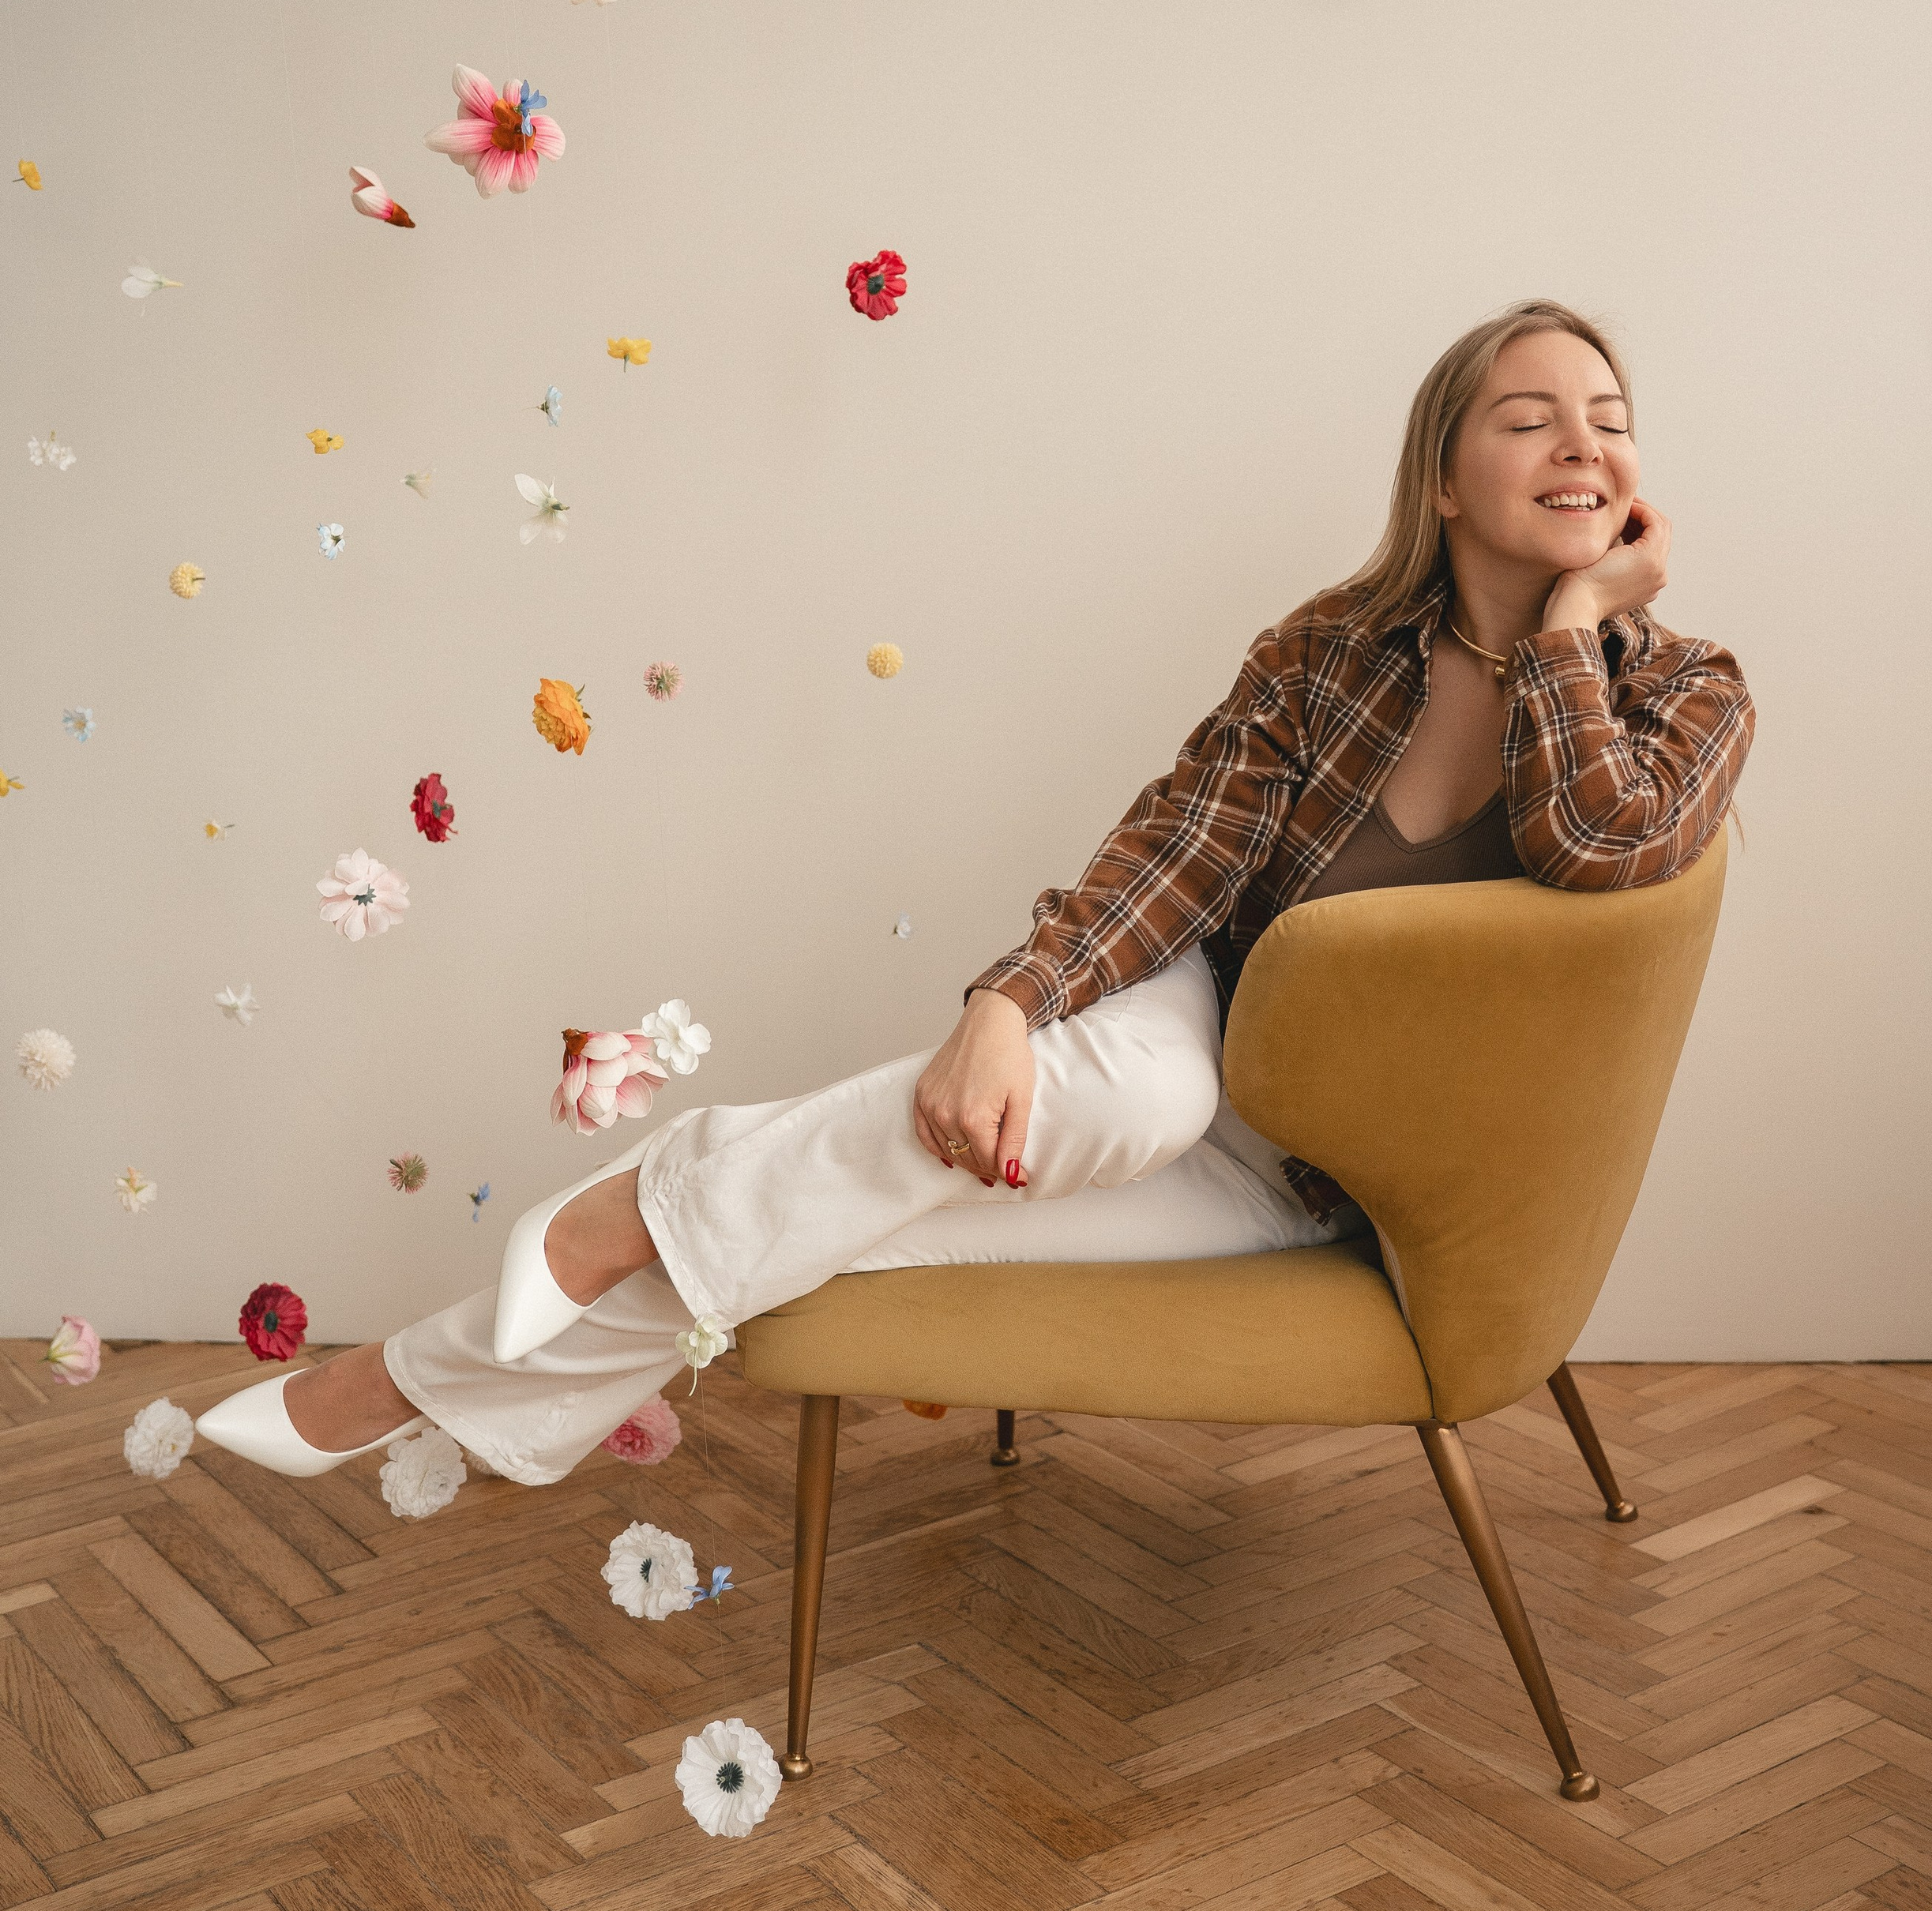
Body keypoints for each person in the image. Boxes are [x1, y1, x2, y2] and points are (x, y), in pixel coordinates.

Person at [197, 298, 1753, 1489]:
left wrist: (1571, 631)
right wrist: (1007, 1005)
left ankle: (443, 1362)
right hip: (1181, 1034)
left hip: (1307, 1181)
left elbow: (1594, 844)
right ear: (1441, 473)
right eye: (1526, 417)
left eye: (1605, 422)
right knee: (1120, 1101)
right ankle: (535, 1283)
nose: (1578, 447)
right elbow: (1178, 848)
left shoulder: (1686, 692)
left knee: (839, 1233)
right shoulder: (1326, 650)